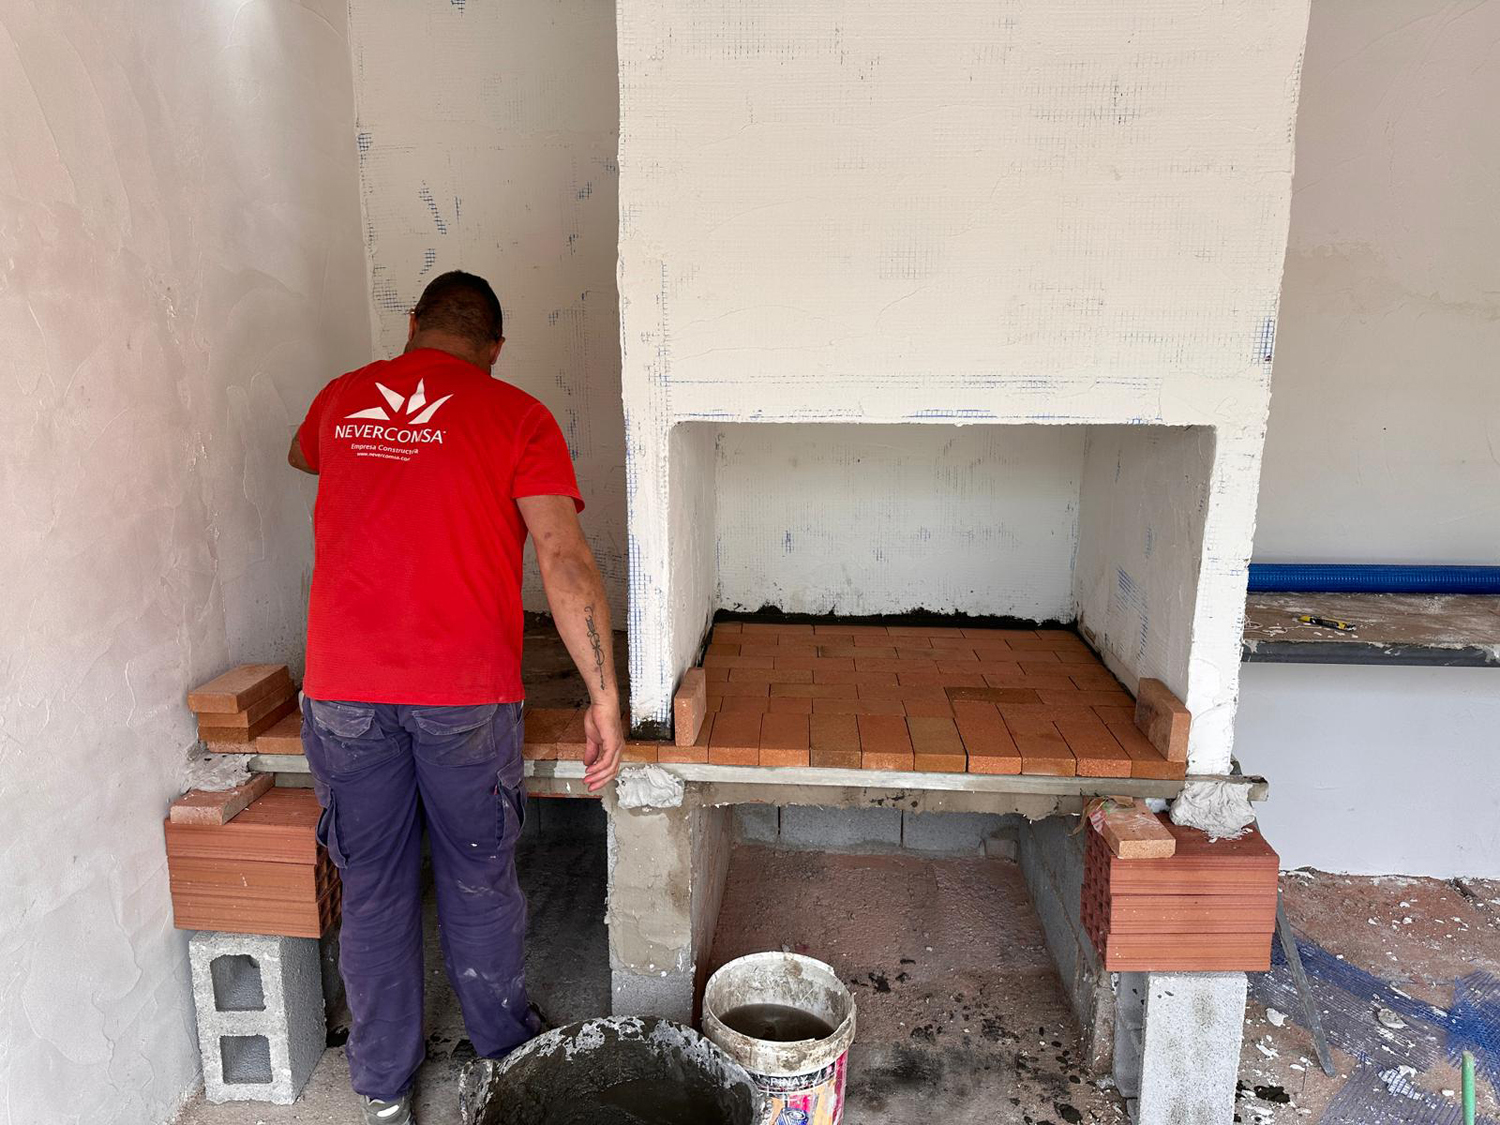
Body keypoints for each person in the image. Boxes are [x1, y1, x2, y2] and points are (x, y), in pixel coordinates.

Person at [289, 270, 624, 1125]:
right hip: (463, 698)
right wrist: (603, 694)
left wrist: (382, 446)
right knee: (477, 877)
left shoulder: (341, 399)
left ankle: (381, 1089)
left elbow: (304, 452)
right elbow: (563, 557)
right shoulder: (518, 417)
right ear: (495, 347)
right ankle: (503, 1062)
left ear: (413, 323)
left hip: (343, 691)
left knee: (372, 887)